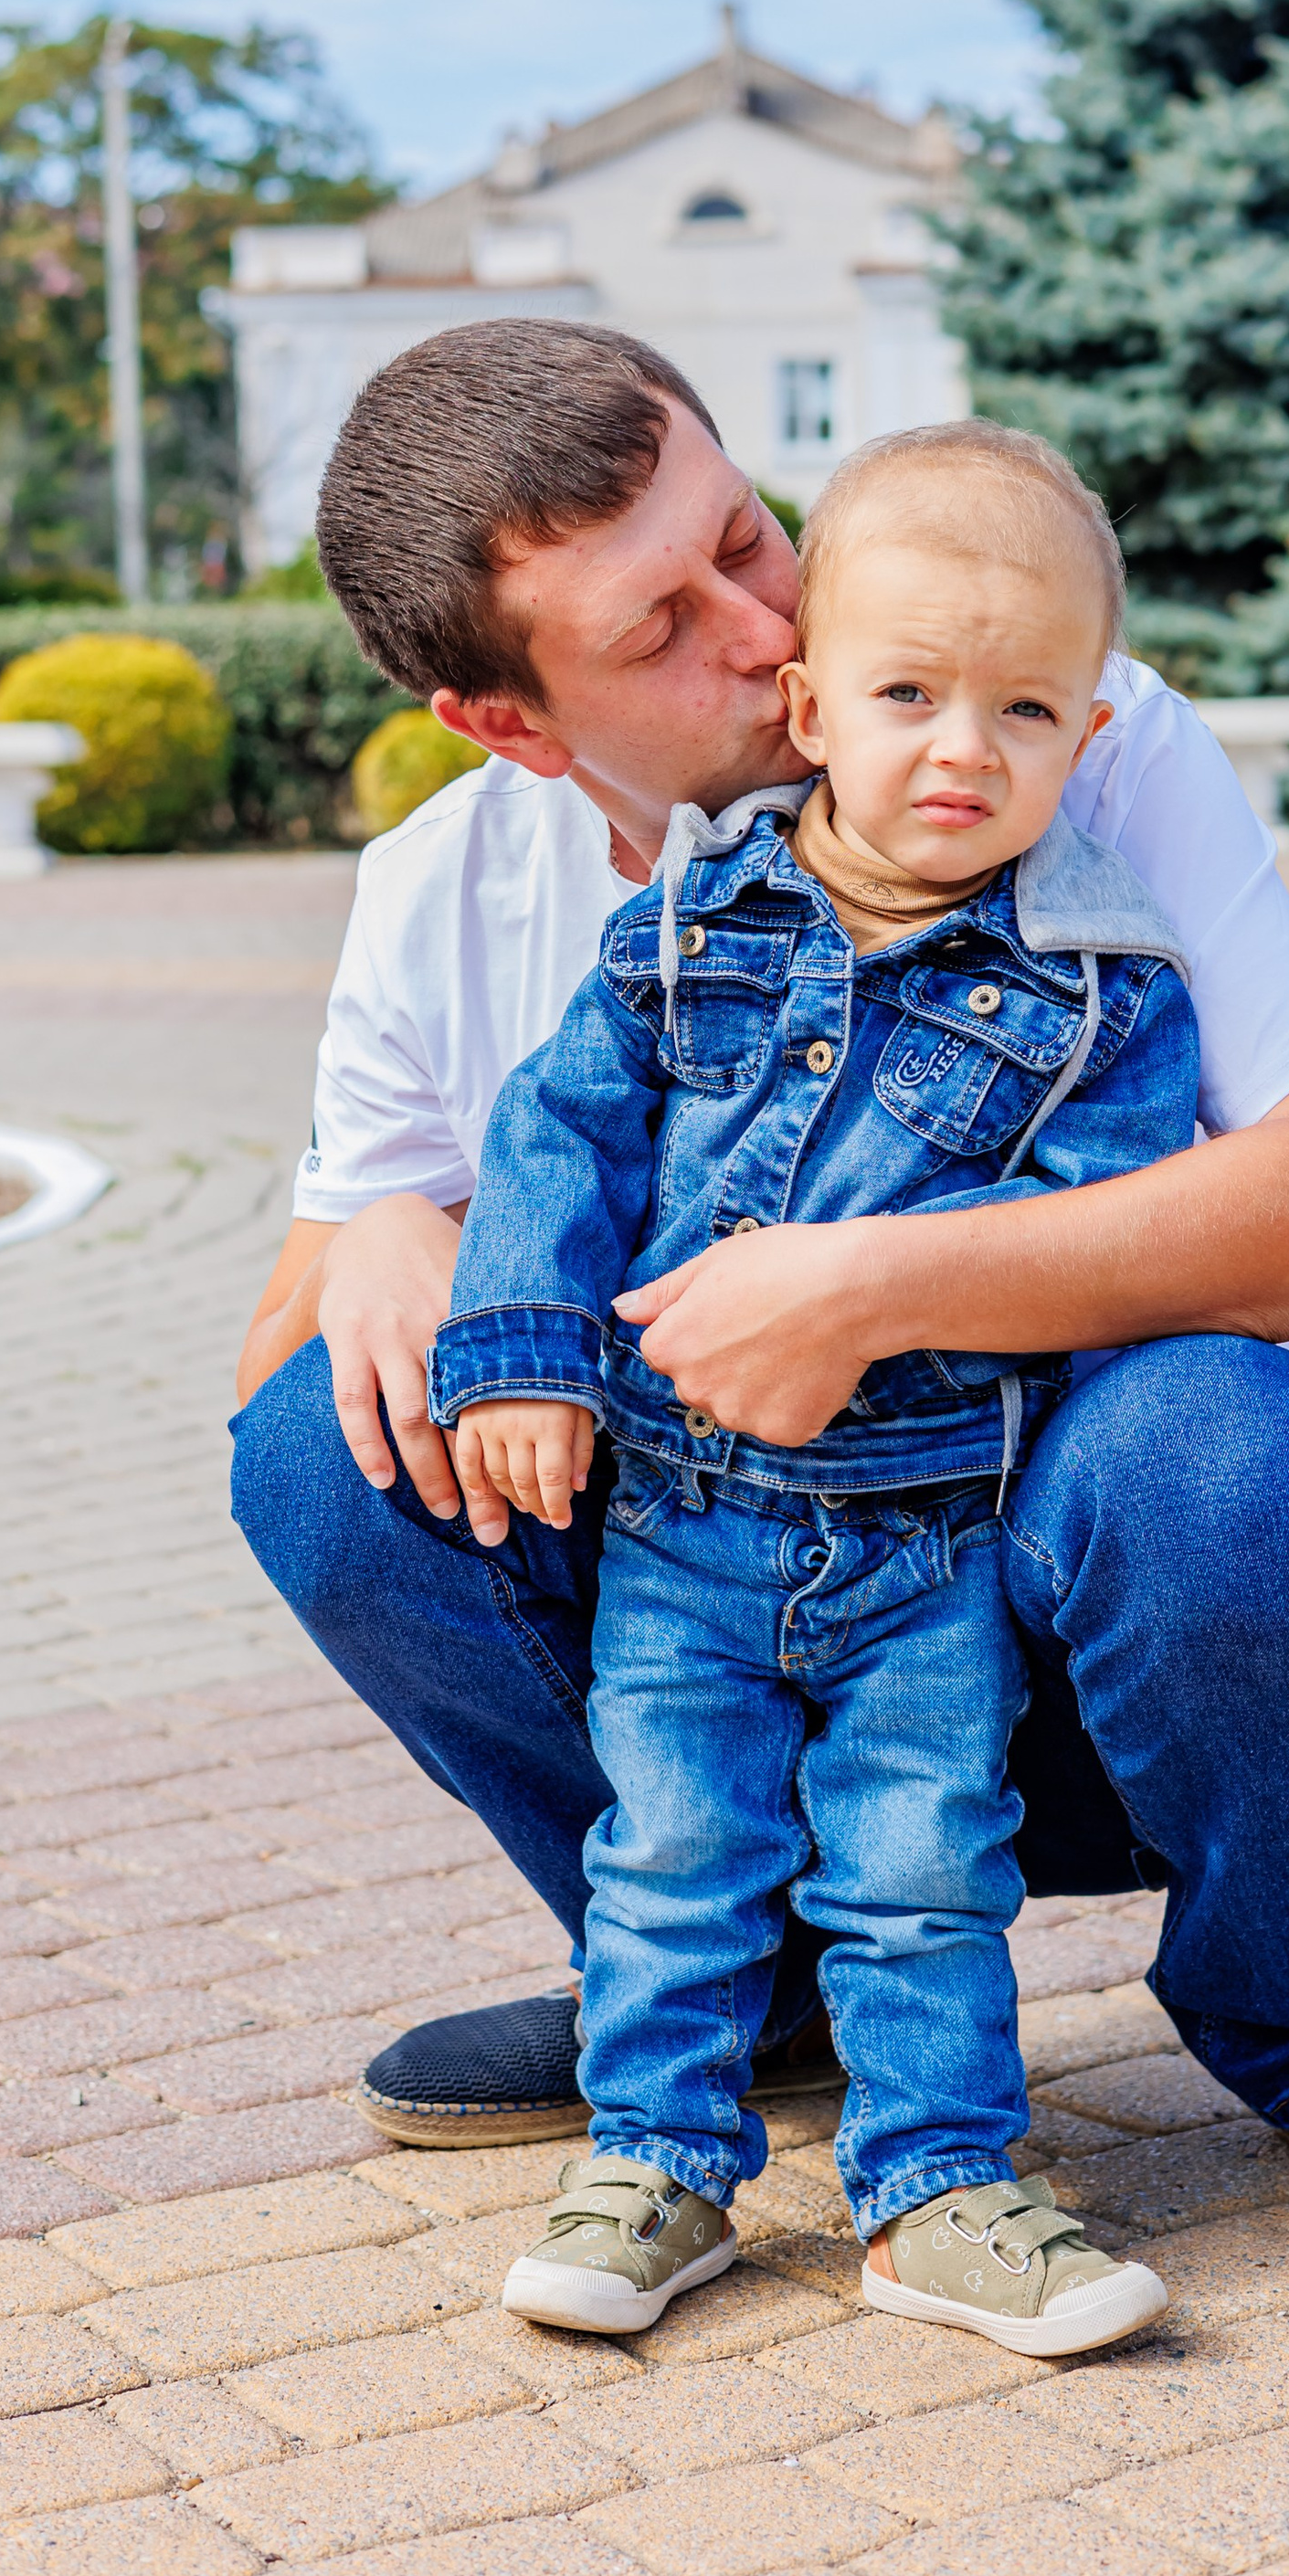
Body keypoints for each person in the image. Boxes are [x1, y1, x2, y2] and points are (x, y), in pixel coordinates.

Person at [232, 320, 1289, 2274]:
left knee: (1226, 1440)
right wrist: (373, 1227)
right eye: (660, 626)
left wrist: (872, 1281)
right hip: (721, 1628)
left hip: (1048, 1618)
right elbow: (287, 1399)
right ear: (512, 726)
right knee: (319, 1448)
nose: (766, 630)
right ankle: (726, 1989)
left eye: (747, 537)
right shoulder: (439, 897)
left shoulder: (1046, 732)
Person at [434, 424, 1189, 2349]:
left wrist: (891, 1296)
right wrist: (523, 1356)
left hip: (928, 1536)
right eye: (909, 695)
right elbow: (555, 1142)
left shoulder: (1100, 990)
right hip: (679, 1523)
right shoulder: (690, 927)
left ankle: (934, 2189)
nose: (963, 749)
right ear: (808, 703)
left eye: (1024, 711)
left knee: (925, 1870)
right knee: (673, 1853)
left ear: (1084, 744)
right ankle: (655, 2168)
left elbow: (1096, 1224)